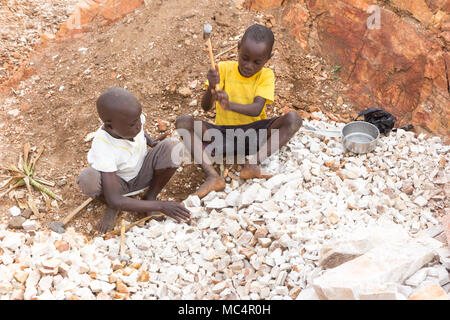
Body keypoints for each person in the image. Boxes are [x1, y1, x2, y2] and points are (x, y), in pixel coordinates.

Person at [175, 24, 302, 198]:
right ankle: (213, 176)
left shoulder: (266, 76)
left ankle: (253, 163)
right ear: (238, 48)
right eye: (245, 58)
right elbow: (206, 107)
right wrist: (211, 87)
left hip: (255, 135)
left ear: (268, 58)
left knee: (293, 119)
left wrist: (229, 104)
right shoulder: (223, 69)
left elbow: (257, 109)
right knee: (183, 122)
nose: (249, 65)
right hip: (222, 136)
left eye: (257, 62)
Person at [77, 87, 191, 233]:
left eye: (138, 118)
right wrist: (161, 206)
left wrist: (151, 142)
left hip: (143, 171)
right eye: (133, 123)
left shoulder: (132, 121)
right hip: (117, 185)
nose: (138, 124)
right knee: (87, 179)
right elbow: (114, 197)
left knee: (173, 147)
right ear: (109, 126)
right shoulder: (103, 145)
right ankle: (113, 207)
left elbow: (141, 132)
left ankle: (150, 196)